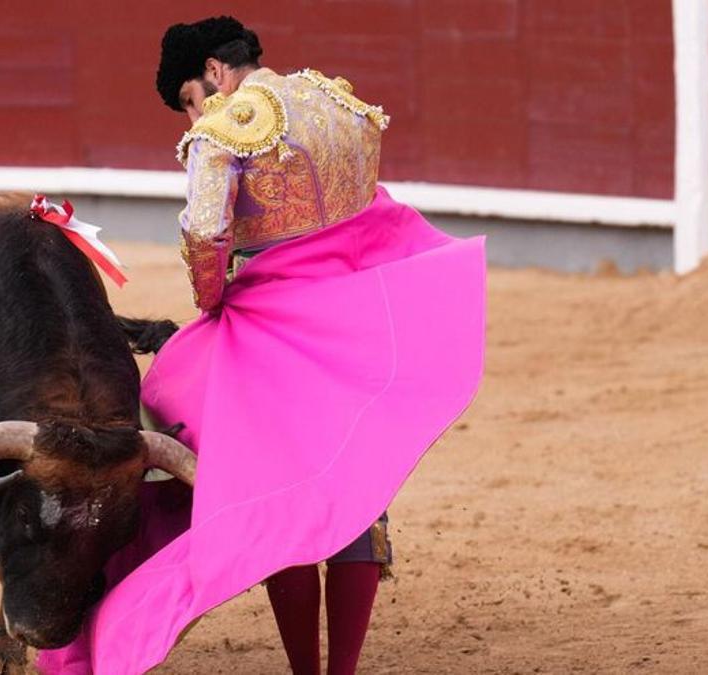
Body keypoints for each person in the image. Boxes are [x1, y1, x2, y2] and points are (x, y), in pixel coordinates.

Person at [38, 16, 485, 675]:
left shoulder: (224, 128)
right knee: (353, 499)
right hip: (361, 316)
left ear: (213, 74)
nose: (194, 113)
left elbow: (206, 239)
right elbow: (367, 203)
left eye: (189, 99)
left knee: (278, 493)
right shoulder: (337, 101)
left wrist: (217, 304)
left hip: (278, 334)